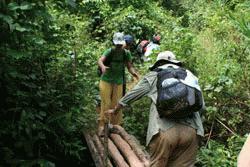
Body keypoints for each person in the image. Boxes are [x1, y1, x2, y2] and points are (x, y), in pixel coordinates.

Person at [106, 51, 204, 167]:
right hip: (191, 131)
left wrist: (116, 109)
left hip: (164, 130)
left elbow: (132, 95)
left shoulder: (154, 75)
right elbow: (201, 105)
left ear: (158, 63)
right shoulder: (189, 75)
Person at [97, 32, 139, 134]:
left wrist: (134, 74)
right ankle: (103, 126)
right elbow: (100, 60)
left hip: (118, 82)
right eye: (117, 44)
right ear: (114, 43)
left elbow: (129, 66)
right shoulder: (109, 51)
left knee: (117, 104)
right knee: (106, 103)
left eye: (120, 44)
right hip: (106, 80)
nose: (119, 46)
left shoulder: (126, 53)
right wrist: (102, 67)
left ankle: (115, 125)